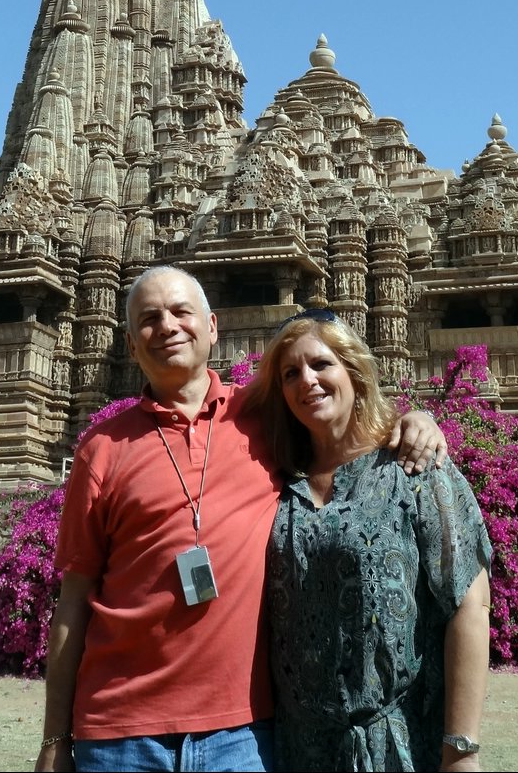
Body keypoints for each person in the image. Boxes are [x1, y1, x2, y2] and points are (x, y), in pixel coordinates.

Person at [36, 267, 448, 773]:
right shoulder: (100, 449)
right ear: (129, 342)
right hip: (121, 734)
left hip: (242, 733)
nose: (167, 326)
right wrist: (55, 739)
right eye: (149, 319)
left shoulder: (264, 417)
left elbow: (340, 425)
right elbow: (73, 603)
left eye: (181, 312)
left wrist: (411, 422)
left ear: (212, 327)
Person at [244, 310, 492, 772]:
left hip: (395, 745)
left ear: (354, 371)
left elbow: (469, 605)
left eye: (322, 364)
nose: (308, 381)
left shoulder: (415, 469)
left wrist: (461, 750)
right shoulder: (277, 482)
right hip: (295, 749)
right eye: (291, 373)